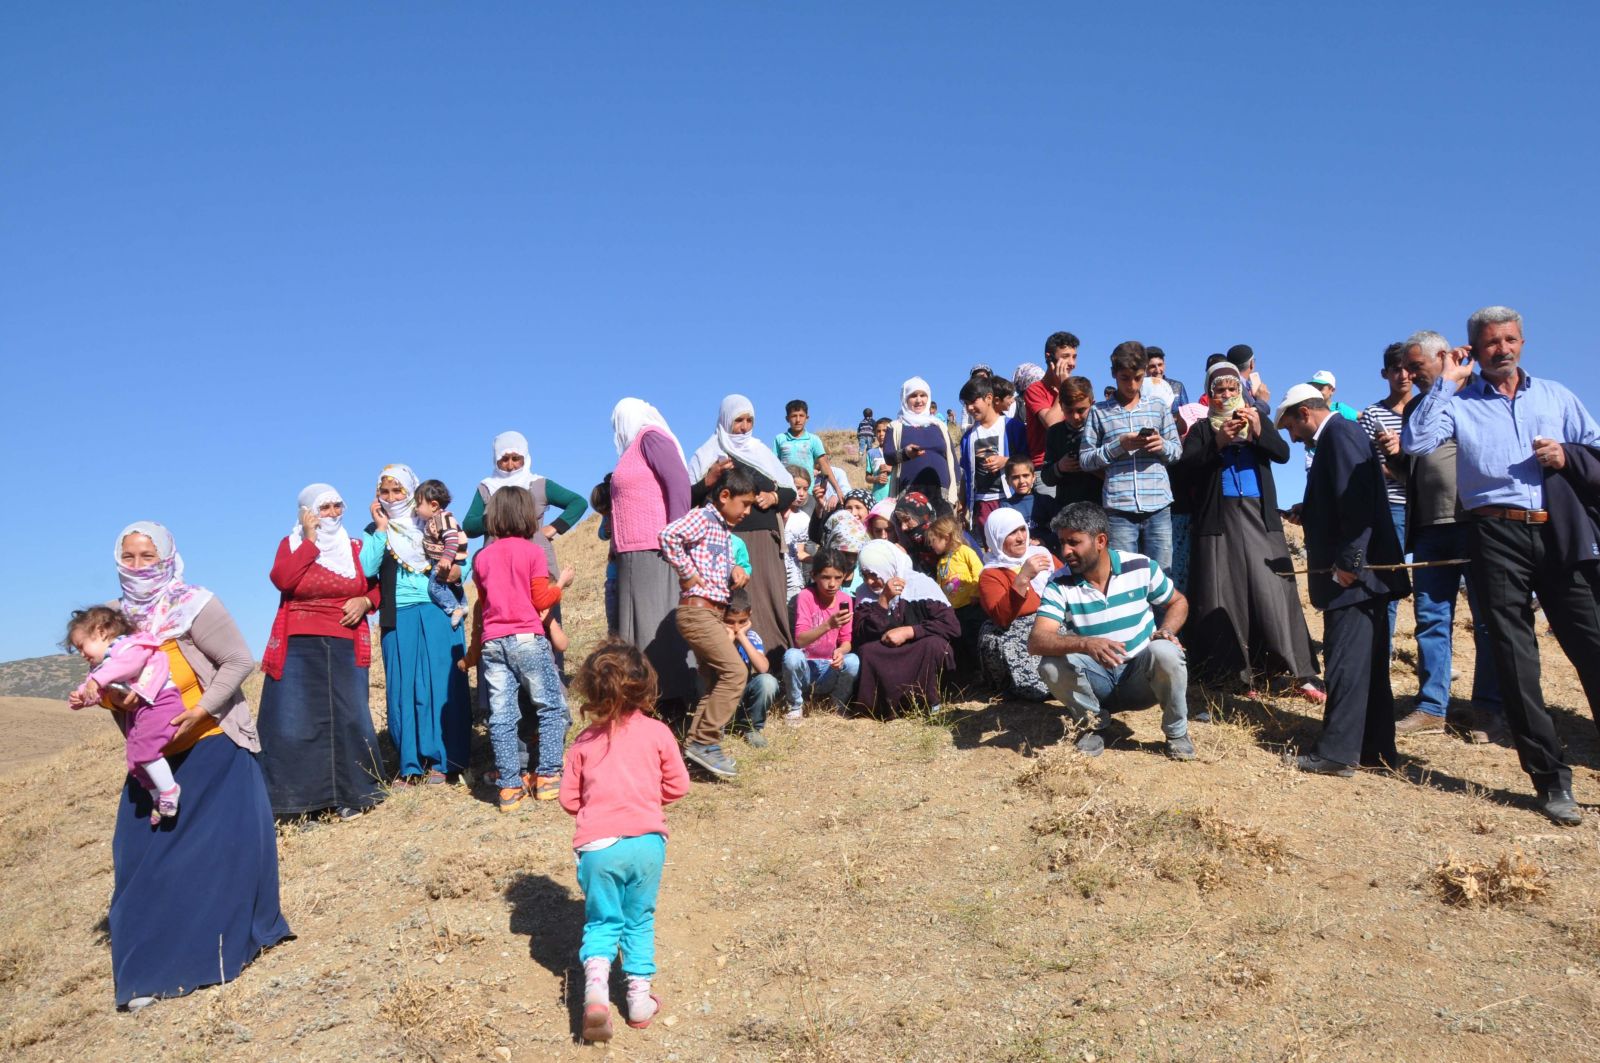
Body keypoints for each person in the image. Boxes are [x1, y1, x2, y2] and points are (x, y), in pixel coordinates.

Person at [1402, 306, 1600, 825]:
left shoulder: (1555, 396)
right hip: (1492, 533)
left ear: (1523, 341)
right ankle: (1551, 780)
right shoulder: (1458, 402)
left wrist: (1567, 456)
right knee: (1515, 659)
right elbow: (1415, 442)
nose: (1503, 349)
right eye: (1491, 343)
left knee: (1592, 646)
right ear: (1473, 348)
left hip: (1557, 530)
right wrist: (1445, 383)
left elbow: (1597, 452)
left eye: (1510, 339)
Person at [104, 522, 291, 1010]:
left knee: (209, 858)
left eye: (149, 555)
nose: (139, 565)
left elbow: (238, 660)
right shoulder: (117, 621)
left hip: (212, 745)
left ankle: (200, 958)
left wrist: (202, 712)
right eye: (130, 556)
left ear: (167, 556)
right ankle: (145, 966)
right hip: (155, 761)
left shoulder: (193, 603)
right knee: (136, 855)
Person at [560, 642, 690, 1044]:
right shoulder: (658, 732)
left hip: (598, 849)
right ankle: (638, 1000)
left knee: (602, 921)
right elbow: (679, 785)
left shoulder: (583, 743)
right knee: (639, 919)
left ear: (591, 692)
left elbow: (568, 800)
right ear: (646, 688)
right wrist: (648, 798)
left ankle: (596, 993)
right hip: (648, 843)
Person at [1277, 385, 1408, 777]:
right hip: (1363, 574)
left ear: (1304, 413)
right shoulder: (1340, 437)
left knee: (1345, 664)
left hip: (1353, 576)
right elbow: (1342, 499)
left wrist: (1351, 561)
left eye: (1290, 427)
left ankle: (1336, 754)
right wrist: (1310, 511)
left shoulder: (1341, 434)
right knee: (1366, 666)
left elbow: (1360, 501)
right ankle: (1375, 750)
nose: (1291, 436)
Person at [1177, 363, 1322, 704]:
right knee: (1223, 594)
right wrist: (1218, 441)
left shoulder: (1257, 419)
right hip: (1219, 520)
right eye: (1219, 391)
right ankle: (1232, 675)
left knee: (1273, 588)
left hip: (1261, 516)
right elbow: (1185, 470)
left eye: (1231, 389)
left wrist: (1259, 431)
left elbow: (1283, 454)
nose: (1226, 396)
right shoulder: (1201, 428)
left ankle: (1292, 670)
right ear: (1209, 395)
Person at [1389, 331, 1504, 740]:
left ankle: (1489, 710)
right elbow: (1417, 469)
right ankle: (1432, 707)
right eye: (1405, 367)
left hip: (1475, 524)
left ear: (1444, 356)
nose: (1408, 375)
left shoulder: (1479, 395)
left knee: (1489, 620)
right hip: (1429, 528)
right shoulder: (1419, 406)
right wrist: (1395, 460)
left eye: (1416, 366)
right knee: (1431, 618)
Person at [1028, 502, 1194, 759]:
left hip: (1141, 681)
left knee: (1166, 651)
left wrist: (1167, 630)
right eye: (1062, 543)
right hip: (1097, 682)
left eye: (1074, 542)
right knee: (1050, 665)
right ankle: (1093, 724)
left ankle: (1177, 733)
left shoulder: (1140, 567)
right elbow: (1037, 640)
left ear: (1100, 541)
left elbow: (1178, 602)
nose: (1065, 551)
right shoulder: (1059, 582)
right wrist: (1085, 644)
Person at [258, 483, 383, 818]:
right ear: (307, 512)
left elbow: (377, 584)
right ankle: (300, 805)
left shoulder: (356, 547)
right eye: (323, 508)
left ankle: (353, 796)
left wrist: (367, 600)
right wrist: (310, 540)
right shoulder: (292, 544)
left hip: (345, 639)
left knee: (349, 715)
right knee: (296, 722)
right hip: (299, 641)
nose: (331, 514)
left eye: (337, 507)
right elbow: (284, 580)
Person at [363, 464, 472, 783]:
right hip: (399, 613)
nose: (392, 496)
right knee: (404, 687)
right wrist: (382, 529)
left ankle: (447, 759)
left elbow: (463, 561)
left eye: (398, 490)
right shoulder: (376, 530)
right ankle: (411, 762)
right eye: (384, 491)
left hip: (438, 608)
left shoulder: (434, 521)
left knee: (442, 682)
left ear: (411, 491)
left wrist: (456, 573)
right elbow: (367, 569)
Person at [467, 486, 573, 811]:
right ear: (528, 515)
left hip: (493, 643)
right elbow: (540, 600)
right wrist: (561, 585)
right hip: (526, 638)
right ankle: (548, 777)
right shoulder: (533, 553)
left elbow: (484, 604)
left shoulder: (482, 558)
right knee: (551, 707)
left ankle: (510, 788)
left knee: (501, 716)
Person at [659, 464, 759, 779]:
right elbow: (668, 535)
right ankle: (705, 741)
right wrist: (688, 575)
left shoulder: (724, 532)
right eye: (744, 504)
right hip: (698, 611)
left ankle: (692, 753)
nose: (746, 512)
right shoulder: (704, 517)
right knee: (735, 672)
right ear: (725, 495)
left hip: (713, 612)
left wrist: (735, 572)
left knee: (715, 682)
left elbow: (715, 564)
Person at [688, 395, 799, 654]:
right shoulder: (707, 453)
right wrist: (710, 479)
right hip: (723, 540)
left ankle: (772, 659)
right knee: (729, 599)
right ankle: (727, 662)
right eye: (738, 420)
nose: (745, 427)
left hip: (763, 540)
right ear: (726, 420)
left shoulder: (760, 451)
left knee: (766, 597)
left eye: (749, 420)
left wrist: (774, 497)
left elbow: (789, 490)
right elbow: (687, 495)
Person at [608, 398, 696, 709]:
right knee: (639, 630)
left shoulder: (651, 437)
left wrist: (676, 535)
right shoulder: (634, 448)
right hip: (633, 554)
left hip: (655, 549)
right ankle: (647, 702)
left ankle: (673, 705)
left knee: (657, 627)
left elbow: (679, 483)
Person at [67, 608, 185, 823]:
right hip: (141, 710)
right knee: (134, 760)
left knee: (146, 750)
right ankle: (156, 796)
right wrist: (82, 697)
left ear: (101, 631)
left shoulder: (129, 646)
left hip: (161, 702)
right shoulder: (101, 666)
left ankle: (169, 790)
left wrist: (97, 681)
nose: (82, 654)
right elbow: (95, 687)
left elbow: (127, 666)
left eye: (81, 646)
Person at [1080, 340, 1182, 570]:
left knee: (1162, 577)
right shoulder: (1099, 412)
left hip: (1159, 506)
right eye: (1125, 378)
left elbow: (1177, 451)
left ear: (1144, 373)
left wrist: (1161, 445)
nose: (1132, 385)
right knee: (1125, 580)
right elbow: (1085, 459)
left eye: (1138, 377)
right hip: (1119, 510)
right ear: (1114, 374)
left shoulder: (1158, 406)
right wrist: (1119, 445)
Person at [850, 540, 958, 716]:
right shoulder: (864, 593)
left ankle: (929, 702)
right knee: (867, 651)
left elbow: (951, 626)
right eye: (865, 575)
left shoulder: (921, 584)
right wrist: (883, 600)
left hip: (919, 647)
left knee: (936, 646)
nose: (869, 581)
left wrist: (910, 632)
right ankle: (882, 709)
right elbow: (861, 634)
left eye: (874, 574)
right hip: (886, 652)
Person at [1356, 344, 1415, 648]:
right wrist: (1394, 469)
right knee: (1389, 578)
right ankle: (1384, 649)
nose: (1403, 375)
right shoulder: (1374, 414)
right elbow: (1363, 463)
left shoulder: (1426, 411)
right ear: (1385, 373)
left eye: (1408, 368)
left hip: (1426, 508)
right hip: (1391, 506)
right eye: (1396, 369)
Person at [977, 508, 1056, 701]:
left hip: (1050, 622)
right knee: (1034, 688)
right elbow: (1001, 617)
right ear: (996, 538)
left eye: (1022, 529)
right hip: (1015, 633)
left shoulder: (1041, 555)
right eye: (1012, 533)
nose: (1021, 538)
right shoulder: (991, 574)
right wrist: (1023, 578)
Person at [782, 548, 860, 722]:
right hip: (806, 668)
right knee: (792, 656)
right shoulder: (806, 596)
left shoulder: (845, 600)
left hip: (829, 668)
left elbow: (846, 641)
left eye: (837, 578)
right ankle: (795, 706)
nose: (832, 584)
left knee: (853, 660)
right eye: (825, 577)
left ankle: (837, 705)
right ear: (814, 575)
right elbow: (800, 640)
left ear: (845, 576)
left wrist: (841, 652)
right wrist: (827, 625)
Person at [958, 374, 1030, 534]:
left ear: (989, 398)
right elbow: (965, 473)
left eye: (973, 401)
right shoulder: (968, 437)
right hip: (981, 504)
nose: (969, 408)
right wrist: (962, 502)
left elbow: (1028, 460)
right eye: (966, 404)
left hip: (1010, 500)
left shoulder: (1012, 427)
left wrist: (1007, 461)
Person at [883, 377, 957, 509]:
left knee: (942, 529)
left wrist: (958, 491)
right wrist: (905, 454)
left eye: (923, 395)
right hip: (909, 492)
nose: (919, 400)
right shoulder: (895, 427)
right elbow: (889, 457)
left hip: (941, 493)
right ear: (905, 399)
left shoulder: (939, 425)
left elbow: (952, 459)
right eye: (913, 396)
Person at [721, 588, 780, 746]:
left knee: (767, 681)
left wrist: (741, 637)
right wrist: (728, 639)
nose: (736, 627)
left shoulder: (750, 637)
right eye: (730, 622)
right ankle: (715, 728)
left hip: (742, 698)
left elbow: (763, 668)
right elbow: (716, 668)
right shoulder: (715, 638)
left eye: (742, 622)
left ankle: (752, 727)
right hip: (721, 699)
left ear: (749, 616)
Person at [928, 514, 985, 672]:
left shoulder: (965, 551)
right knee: (961, 640)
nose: (931, 545)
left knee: (973, 638)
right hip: (954, 610)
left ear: (945, 537)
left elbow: (979, 572)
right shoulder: (941, 562)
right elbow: (940, 586)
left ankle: (981, 671)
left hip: (970, 605)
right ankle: (968, 672)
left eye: (933, 540)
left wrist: (975, 593)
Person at [1040, 376, 1104, 508]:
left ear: (1092, 404)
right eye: (1069, 411)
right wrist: (1060, 467)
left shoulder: (1103, 430)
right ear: (1061, 406)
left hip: (1099, 505)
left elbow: (1114, 474)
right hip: (1067, 507)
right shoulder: (1054, 433)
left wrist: (1089, 464)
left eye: (1081, 410)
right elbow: (1046, 477)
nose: (1075, 417)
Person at [414, 479, 469, 629]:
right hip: (444, 559)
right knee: (452, 584)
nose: (416, 509)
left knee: (434, 587)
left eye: (418, 504)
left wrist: (446, 558)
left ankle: (453, 608)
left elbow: (451, 538)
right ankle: (463, 604)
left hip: (446, 560)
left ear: (433, 505)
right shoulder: (433, 520)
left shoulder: (442, 519)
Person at [1023, 332, 1080, 471]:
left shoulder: (1077, 388)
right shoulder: (1035, 390)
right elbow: (1052, 424)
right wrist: (1064, 388)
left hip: (1074, 464)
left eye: (1074, 357)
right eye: (1066, 357)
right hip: (1045, 466)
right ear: (1050, 358)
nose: (1072, 363)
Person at [775, 399, 844, 500]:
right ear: (787, 418)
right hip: (786, 491)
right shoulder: (780, 439)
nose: (798, 420)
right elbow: (774, 465)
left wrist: (838, 489)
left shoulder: (813, 440)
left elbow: (824, 465)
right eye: (794, 416)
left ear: (807, 418)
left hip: (808, 493)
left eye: (801, 416)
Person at [1001, 457, 1059, 553]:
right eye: (1015, 477)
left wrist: (1045, 541)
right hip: (1019, 555)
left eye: (1025, 475)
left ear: (1033, 477)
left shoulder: (1046, 501)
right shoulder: (1005, 506)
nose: (1021, 481)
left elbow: (1061, 528)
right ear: (1008, 481)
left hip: (1047, 552)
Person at [591, 476, 619, 635]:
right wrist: (606, 530)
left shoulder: (622, 512)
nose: (605, 515)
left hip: (621, 572)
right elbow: (601, 534)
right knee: (613, 624)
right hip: (612, 575)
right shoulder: (607, 516)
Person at [782, 465, 814, 601]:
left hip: (793, 580)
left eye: (805, 489)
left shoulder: (803, 519)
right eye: (797, 488)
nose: (801, 493)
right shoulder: (772, 513)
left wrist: (819, 561)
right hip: (773, 574)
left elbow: (799, 553)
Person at [892, 491, 939, 574]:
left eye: (907, 520)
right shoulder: (909, 545)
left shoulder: (944, 542)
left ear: (923, 516)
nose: (903, 527)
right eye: (900, 522)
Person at [866, 417, 893, 503]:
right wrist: (876, 479)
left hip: (895, 497)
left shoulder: (898, 451)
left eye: (885, 430)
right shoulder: (871, 453)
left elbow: (907, 471)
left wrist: (892, 469)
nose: (881, 434)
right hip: (877, 498)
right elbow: (867, 477)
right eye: (878, 431)